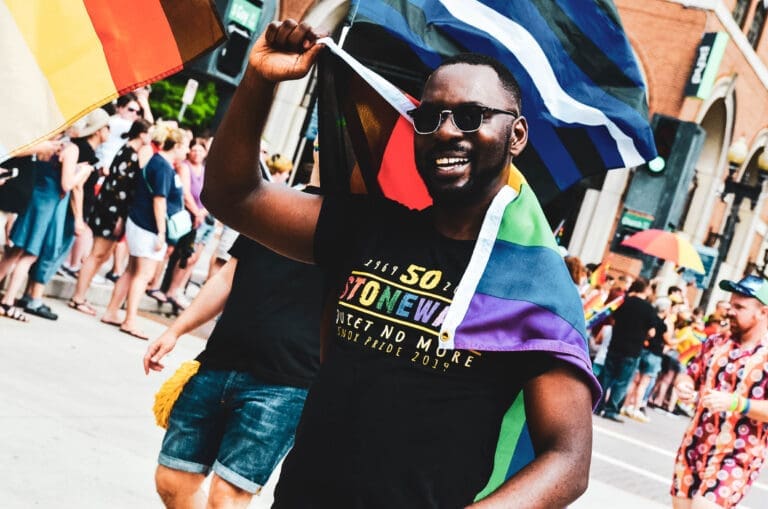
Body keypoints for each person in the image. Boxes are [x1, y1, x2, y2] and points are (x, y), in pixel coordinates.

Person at [202, 20, 597, 508]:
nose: (447, 131)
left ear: (516, 135)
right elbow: (232, 195)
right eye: (430, 117)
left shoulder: (536, 284)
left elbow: (568, 459)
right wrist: (260, 79)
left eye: (472, 116)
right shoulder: (367, 228)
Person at [143, 228, 323, 507]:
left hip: (286, 384)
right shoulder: (272, 209)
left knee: (226, 497)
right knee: (171, 480)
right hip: (218, 363)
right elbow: (228, 276)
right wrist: (175, 331)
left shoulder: (360, 230)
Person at [672, 275, 768, 509]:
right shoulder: (715, 342)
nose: (730, 311)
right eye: (730, 304)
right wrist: (683, 385)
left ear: (763, 312)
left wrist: (736, 403)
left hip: (736, 454)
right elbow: (689, 373)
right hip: (693, 445)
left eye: (739, 307)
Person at [102, 124, 187, 339]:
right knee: (144, 274)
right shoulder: (164, 167)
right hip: (148, 226)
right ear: (175, 145)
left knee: (132, 271)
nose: (186, 151)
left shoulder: (156, 163)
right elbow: (159, 201)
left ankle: (112, 311)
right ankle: (130, 319)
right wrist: (161, 232)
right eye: (184, 146)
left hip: (138, 222)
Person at [68, 119, 153, 314]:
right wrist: (120, 218)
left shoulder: (127, 152)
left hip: (109, 208)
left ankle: (80, 295)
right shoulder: (130, 156)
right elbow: (121, 191)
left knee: (101, 255)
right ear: (142, 134)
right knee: (97, 254)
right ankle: (78, 296)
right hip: (112, 210)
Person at [596, 277, 658, 422]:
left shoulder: (624, 302)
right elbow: (651, 332)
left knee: (606, 376)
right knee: (622, 381)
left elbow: (613, 319)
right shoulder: (649, 308)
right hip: (633, 349)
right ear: (646, 290)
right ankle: (612, 410)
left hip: (615, 344)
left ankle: (598, 405)